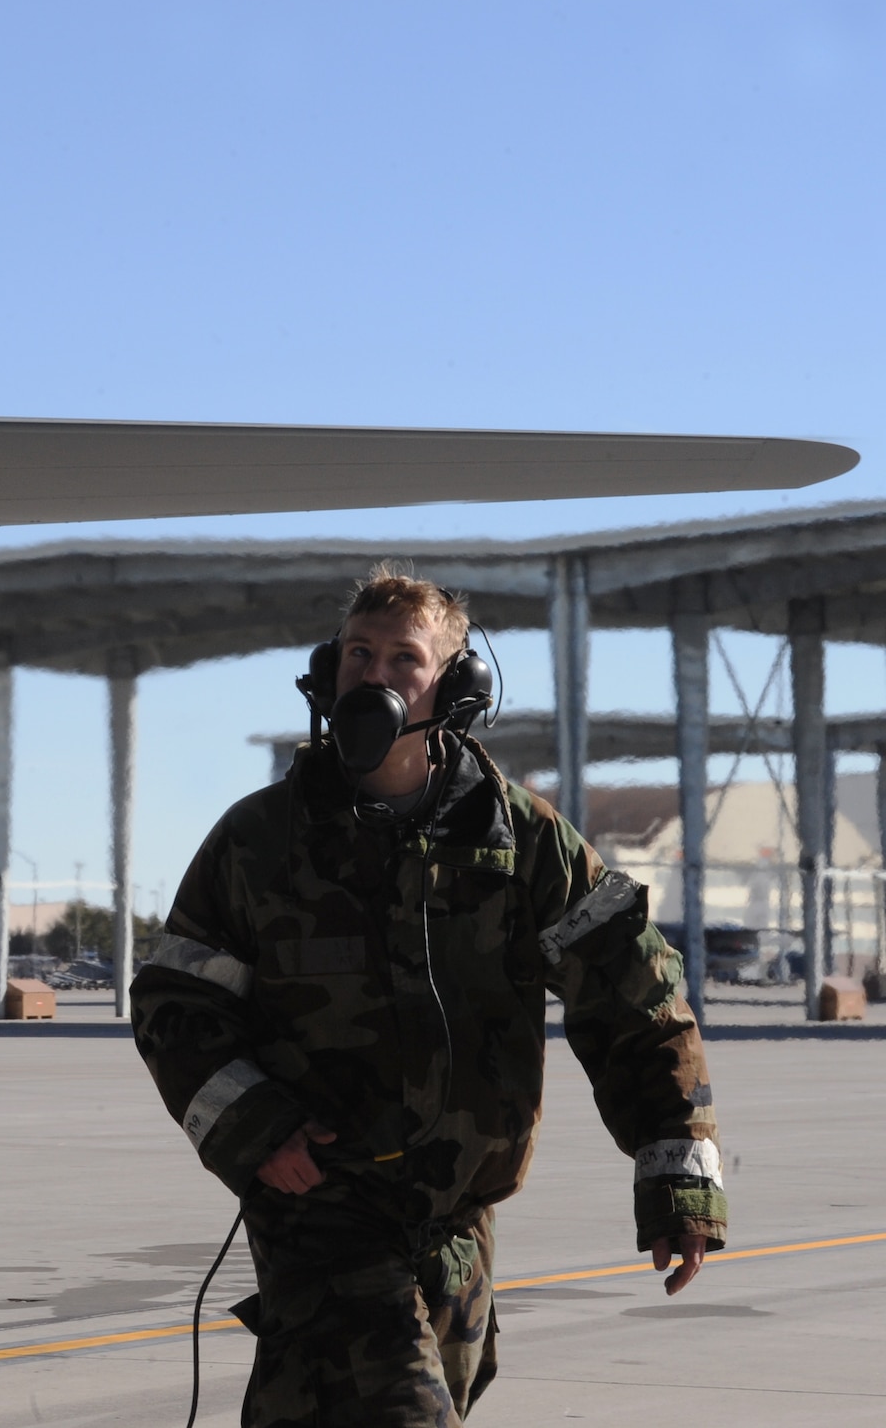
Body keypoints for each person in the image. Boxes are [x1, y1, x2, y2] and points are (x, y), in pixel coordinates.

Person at [131, 565, 725, 1427]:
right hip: (320, 1212)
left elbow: (637, 997)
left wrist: (678, 1179)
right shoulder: (260, 841)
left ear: (452, 685)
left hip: (457, 1232)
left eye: (403, 658)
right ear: (327, 671)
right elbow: (173, 1003)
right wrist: (254, 1127)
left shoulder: (523, 841)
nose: (374, 676)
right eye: (358, 654)